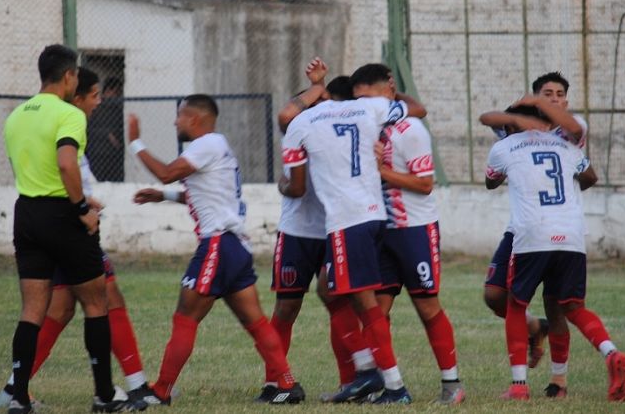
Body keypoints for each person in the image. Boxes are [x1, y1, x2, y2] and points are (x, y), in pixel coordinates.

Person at [129, 94, 304, 405]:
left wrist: (135, 143)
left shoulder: (205, 145)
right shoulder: (218, 146)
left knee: (185, 316)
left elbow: (168, 171)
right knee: (255, 322)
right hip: (235, 246)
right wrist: (164, 196)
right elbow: (206, 194)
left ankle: (161, 391)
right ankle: (287, 384)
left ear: (195, 119)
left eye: (180, 116)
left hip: (217, 245)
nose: (175, 122)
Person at [0, 68, 152, 408]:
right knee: (99, 303)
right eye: (94, 94)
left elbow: (32, 166)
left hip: (27, 214)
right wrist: (82, 206)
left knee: (36, 310)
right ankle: (107, 394)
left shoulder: (18, 115)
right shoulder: (68, 116)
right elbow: (66, 165)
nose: (99, 101)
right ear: (68, 79)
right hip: (66, 220)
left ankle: (17, 395)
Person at [278, 62, 415, 404]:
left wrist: (281, 183)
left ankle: (394, 386)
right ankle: (366, 370)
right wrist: (388, 90)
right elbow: (418, 108)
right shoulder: (367, 107)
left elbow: (294, 186)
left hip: (345, 221)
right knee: (330, 289)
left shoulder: (301, 123)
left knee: (364, 302)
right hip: (373, 216)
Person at [484, 109, 625, 401]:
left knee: (516, 304)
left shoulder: (504, 147)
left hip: (533, 234)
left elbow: (491, 181)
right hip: (572, 235)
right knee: (573, 308)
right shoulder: (567, 146)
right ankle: (610, 352)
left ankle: (519, 386)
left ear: (513, 123)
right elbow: (589, 176)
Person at [479, 71, 587, 397]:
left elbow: (589, 173)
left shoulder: (570, 131)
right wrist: (520, 119)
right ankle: (532, 326)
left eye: (558, 94)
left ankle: (558, 380)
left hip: (556, 228)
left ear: (566, 101)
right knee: (494, 296)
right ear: (534, 97)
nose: (553, 99)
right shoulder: (524, 124)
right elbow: (488, 118)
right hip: (522, 228)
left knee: (556, 305)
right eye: (545, 94)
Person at [261, 64, 362, 401]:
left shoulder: (350, 125)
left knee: (337, 304)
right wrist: (320, 86)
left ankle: (350, 381)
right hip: (298, 231)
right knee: (287, 307)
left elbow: (287, 112)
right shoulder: (306, 125)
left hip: (336, 229)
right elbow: (289, 114)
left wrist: (318, 87)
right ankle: (275, 380)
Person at [370, 70, 463, 405]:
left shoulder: (411, 130)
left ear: (389, 91)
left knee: (427, 307)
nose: (366, 106)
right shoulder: (369, 128)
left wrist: (381, 171)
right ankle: (390, 387)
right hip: (383, 231)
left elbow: (425, 184)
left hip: (415, 232)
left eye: (371, 98)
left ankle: (452, 385)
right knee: (375, 312)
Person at [86, 76, 125, 182]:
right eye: (115, 92)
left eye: (119, 93)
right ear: (108, 91)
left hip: (113, 156)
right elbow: (90, 127)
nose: (117, 95)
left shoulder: (118, 110)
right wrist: (107, 134)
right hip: (97, 153)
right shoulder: (96, 107)